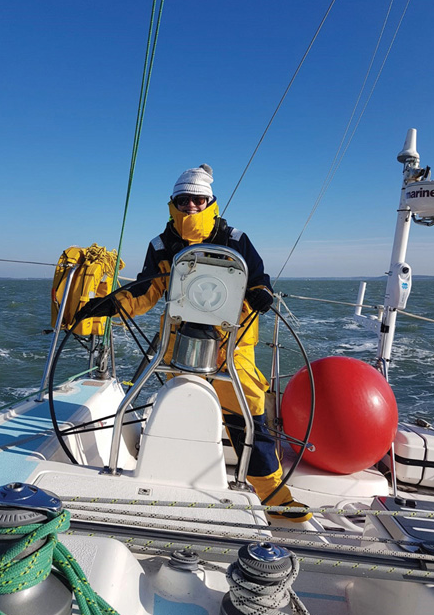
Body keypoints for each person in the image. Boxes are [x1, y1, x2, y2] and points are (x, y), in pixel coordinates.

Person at [79, 164, 311, 522]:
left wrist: (262, 293)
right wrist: (113, 303)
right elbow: (147, 289)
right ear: (173, 202)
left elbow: (258, 279)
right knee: (181, 407)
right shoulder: (161, 245)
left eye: (198, 199)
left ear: (210, 201)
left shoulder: (235, 239)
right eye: (184, 199)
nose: (191, 206)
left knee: (248, 411)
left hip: (231, 344)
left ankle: (273, 494)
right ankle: (169, 488)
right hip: (179, 342)